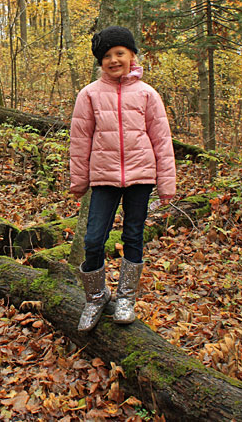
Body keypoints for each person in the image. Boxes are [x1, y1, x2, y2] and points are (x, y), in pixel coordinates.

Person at [69, 26, 176, 332]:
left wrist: (166, 185)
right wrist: (79, 181)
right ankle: (96, 296)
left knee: (133, 235)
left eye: (120, 53)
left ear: (132, 55)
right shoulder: (89, 94)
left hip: (141, 176)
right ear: (100, 62)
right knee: (93, 240)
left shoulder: (147, 94)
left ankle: (126, 298)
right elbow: (80, 141)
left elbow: (162, 140)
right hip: (103, 176)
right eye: (106, 56)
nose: (114, 60)